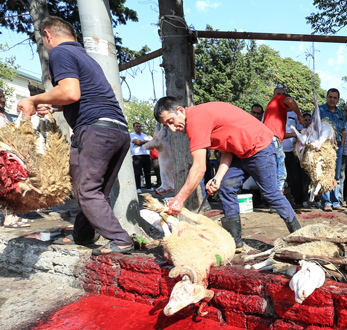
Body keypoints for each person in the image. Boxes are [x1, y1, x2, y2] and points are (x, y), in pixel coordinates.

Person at [17, 16, 133, 255]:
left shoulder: (60, 53)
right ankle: (83, 235)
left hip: (94, 131)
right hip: (118, 130)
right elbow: (80, 96)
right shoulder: (85, 57)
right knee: (96, 192)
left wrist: (34, 99)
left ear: (47, 35)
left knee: (86, 190)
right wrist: (53, 105)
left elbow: (70, 92)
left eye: (43, 39)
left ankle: (120, 239)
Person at [153, 96, 302, 252]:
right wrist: (217, 178)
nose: (172, 129)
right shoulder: (200, 118)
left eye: (171, 121)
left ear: (180, 110)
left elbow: (199, 167)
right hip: (240, 153)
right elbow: (227, 152)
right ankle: (235, 241)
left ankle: (298, 234)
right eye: (166, 125)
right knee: (226, 186)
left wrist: (179, 199)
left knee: (270, 193)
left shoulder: (196, 120)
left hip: (260, 147)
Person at [262, 86, 303, 197]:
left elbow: (281, 135)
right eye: (278, 94)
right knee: (280, 173)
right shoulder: (278, 100)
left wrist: (296, 134)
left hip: (270, 141)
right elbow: (290, 101)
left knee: (275, 171)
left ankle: (275, 199)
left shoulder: (273, 110)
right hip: (273, 141)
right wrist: (299, 115)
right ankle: (277, 199)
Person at [313, 88, 346, 211]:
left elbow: (343, 132)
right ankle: (326, 202)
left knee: (336, 175)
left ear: (338, 99)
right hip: (324, 147)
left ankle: (335, 202)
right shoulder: (319, 110)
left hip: (337, 148)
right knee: (325, 174)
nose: (332, 99)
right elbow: (314, 127)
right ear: (327, 97)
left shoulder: (341, 113)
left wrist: (340, 146)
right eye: (330, 97)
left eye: (335, 97)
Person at [130, 122, 153, 193]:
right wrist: (146, 142)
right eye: (137, 126)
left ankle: (149, 186)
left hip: (146, 154)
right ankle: (138, 187)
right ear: (133, 127)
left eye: (139, 126)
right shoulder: (131, 135)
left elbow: (150, 144)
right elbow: (137, 142)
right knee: (137, 172)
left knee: (147, 172)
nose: (138, 128)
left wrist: (142, 142)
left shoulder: (144, 135)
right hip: (137, 155)